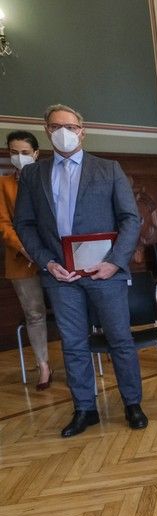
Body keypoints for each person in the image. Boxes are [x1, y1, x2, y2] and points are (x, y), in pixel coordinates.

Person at [14, 104, 147, 437]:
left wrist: (115, 261)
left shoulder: (109, 169)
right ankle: (85, 409)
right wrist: (48, 262)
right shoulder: (32, 174)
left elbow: (131, 219)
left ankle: (132, 404)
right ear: (46, 130)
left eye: (71, 127)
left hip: (105, 273)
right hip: (61, 276)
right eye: (57, 126)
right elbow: (25, 225)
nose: (65, 131)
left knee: (119, 340)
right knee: (73, 345)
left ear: (82, 131)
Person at [1, 131, 52, 390]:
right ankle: (43, 365)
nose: (18, 157)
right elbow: (3, 224)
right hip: (22, 260)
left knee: (73, 307)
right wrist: (25, 248)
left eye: (23, 152)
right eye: (13, 152)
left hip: (55, 257)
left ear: (35, 153)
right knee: (34, 314)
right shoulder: (4, 185)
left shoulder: (48, 178)